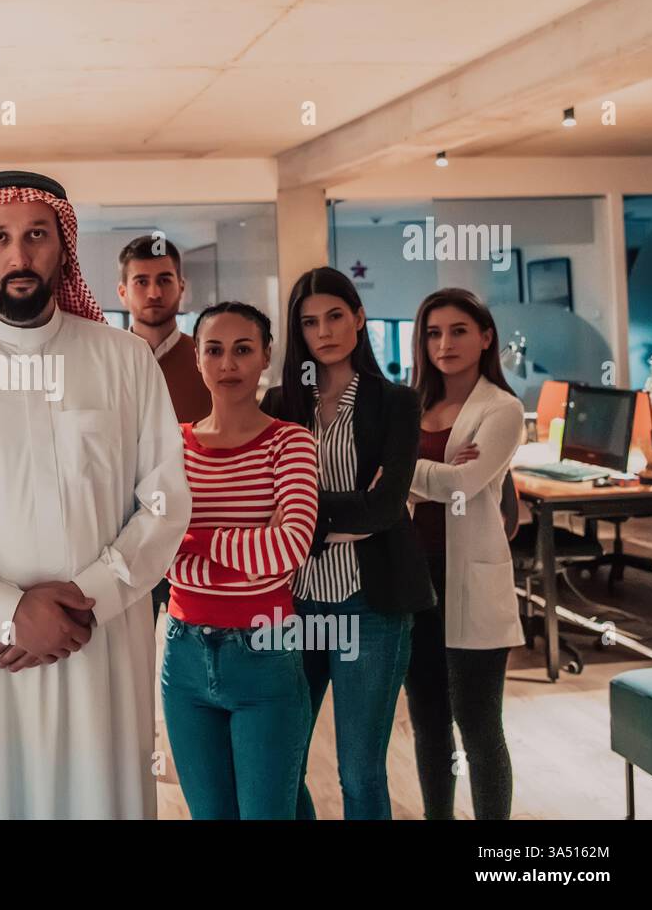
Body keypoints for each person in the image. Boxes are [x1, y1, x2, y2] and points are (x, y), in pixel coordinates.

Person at [0, 170, 191, 819]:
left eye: (36, 236)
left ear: (63, 248)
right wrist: (6, 610)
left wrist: (85, 599)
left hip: (95, 647)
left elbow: (164, 501)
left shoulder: (126, 361)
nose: (19, 256)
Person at [261, 267, 433, 820]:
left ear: (359, 317)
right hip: (292, 604)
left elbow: (386, 509)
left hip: (371, 603)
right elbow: (265, 503)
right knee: (281, 762)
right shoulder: (280, 403)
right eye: (310, 322)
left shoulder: (396, 403)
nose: (325, 331)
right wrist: (345, 508)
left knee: (360, 772)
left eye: (336, 315)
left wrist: (304, 514)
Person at [162, 301, 319, 819]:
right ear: (197, 360)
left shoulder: (291, 442)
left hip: (267, 652)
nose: (228, 364)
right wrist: (246, 542)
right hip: (183, 656)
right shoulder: (172, 446)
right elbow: (156, 550)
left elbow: (290, 546)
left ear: (264, 357)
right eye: (214, 350)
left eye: (242, 350)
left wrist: (193, 536)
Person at [404, 287, 524, 820]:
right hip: (414, 579)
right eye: (433, 332)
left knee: (477, 724)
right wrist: (439, 477)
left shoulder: (503, 408)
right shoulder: (412, 403)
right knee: (428, 719)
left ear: (485, 337)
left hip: (469, 581)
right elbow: (443, 481)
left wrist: (402, 470)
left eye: (457, 331)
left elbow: (467, 482)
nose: (444, 343)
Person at [116, 233, 213, 623]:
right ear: (123, 292)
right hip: (123, 538)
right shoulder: (106, 362)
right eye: (141, 281)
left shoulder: (211, 359)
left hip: (198, 536)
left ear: (181, 287)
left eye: (164, 279)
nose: (154, 291)